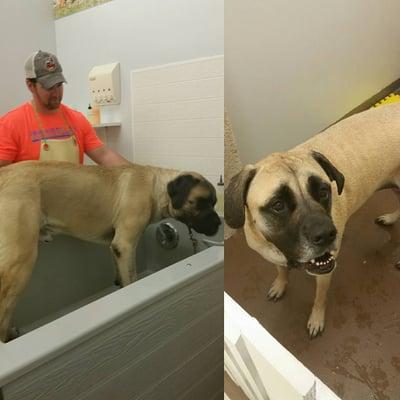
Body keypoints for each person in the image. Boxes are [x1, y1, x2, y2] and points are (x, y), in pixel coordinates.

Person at [0, 50, 130, 167]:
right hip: (33, 194)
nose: (56, 93)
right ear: (30, 85)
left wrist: (138, 174)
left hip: (72, 193)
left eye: (59, 85)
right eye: (49, 87)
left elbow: (104, 155)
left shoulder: (76, 119)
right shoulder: (11, 124)